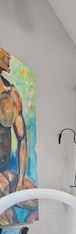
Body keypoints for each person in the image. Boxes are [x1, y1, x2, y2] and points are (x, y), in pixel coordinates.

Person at [0, 47, 37, 225]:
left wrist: (21, 180)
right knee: (9, 220)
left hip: (7, 173)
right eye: (3, 54)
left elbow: (22, 140)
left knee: (37, 203)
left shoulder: (12, 94)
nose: (7, 56)